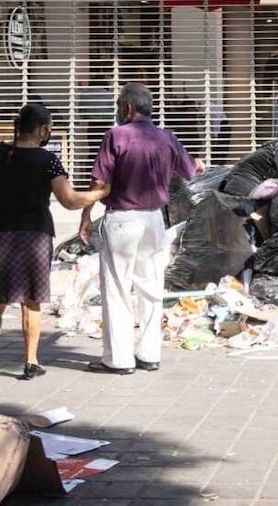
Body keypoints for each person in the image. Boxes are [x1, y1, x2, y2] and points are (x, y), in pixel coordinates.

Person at [0, 104, 108, 383]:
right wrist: (100, 193)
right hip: (34, 235)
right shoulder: (47, 160)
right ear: (43, 129)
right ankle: (30, 362)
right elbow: (69, 200)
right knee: (31, 300)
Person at [81, 83, 204, 375]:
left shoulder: (116, 136)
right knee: (151, 287)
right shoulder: (166, 137)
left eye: (118, 106)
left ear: (126, 108)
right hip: (154, 220)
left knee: (117, 288)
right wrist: (197, 162)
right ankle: (150, 354)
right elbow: (191, 169)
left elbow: (99, 183)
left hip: (122, 219)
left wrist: (85, 215)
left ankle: (119, 359)